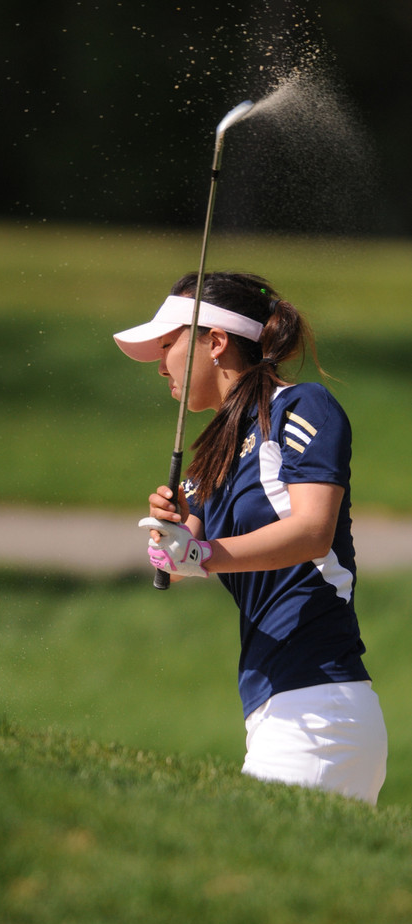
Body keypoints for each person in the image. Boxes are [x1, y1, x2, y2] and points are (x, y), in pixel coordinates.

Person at [113, 271, 387, 805]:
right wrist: (168, 537)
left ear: (215, 343)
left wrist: (202, 553)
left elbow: (312, 531)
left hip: (317, 711)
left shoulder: (301, 407)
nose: (160, 363)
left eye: (169, 345)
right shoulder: (217, 449)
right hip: (278, 707)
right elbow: (178, 559)